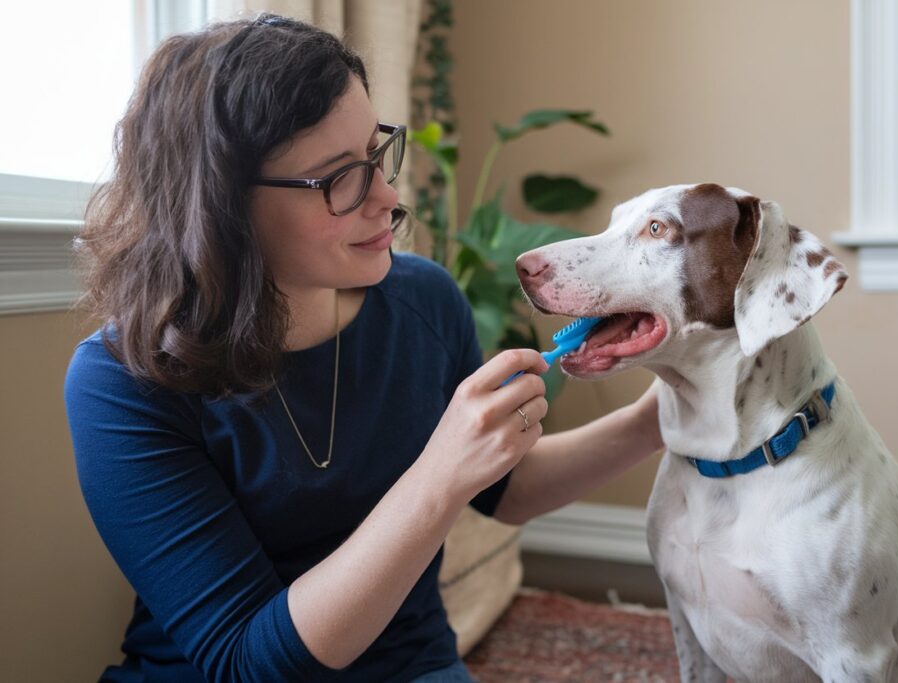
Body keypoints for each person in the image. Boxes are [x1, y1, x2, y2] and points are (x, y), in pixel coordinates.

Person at [64, 14, 663, 683]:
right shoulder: (120, 381)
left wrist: (658, 419)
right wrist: (437, 477)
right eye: (338, 177)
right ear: (223, 207)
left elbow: (505, 489)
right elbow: (244, 662)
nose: (388, 196)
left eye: (378, 153)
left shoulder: (425, 301)